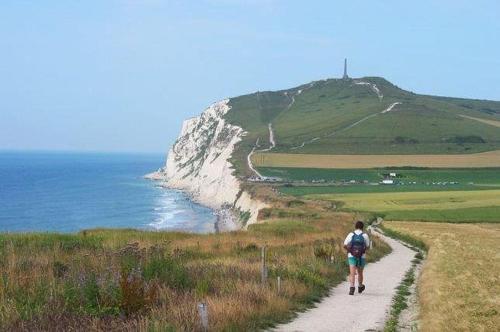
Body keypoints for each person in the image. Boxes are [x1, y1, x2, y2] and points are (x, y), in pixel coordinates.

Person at [343, 221, 370, 295]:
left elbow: (344, 245)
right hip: (362, 257)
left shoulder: (351, 234)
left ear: (355, 226)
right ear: (362, 227)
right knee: (360, 273)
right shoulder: (365, 235)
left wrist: (350, 251)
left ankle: (352, 288)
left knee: (352, 273)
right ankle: (360, 287)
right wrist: (362, 251)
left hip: (351, 256)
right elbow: (368, 247)